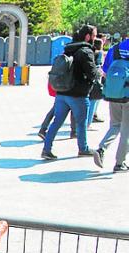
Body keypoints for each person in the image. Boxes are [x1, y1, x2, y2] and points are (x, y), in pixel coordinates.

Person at [42, 25, 99, 160]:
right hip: (78, 94)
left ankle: (46, 149)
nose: (95, 38)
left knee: (56, 122)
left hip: (62, 92)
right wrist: (98, 73)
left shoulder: (68, 49)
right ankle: (83, 148)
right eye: (94, 36)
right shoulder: (86, 51)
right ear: (88, 36)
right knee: (81, 122)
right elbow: (91, 73)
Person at [93, 36, 129, 172]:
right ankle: (120, 163)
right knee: (127, 131)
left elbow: (105, 71)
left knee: (115, 125)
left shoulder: (116, 48)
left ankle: (101, 148)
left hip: (114, 93)